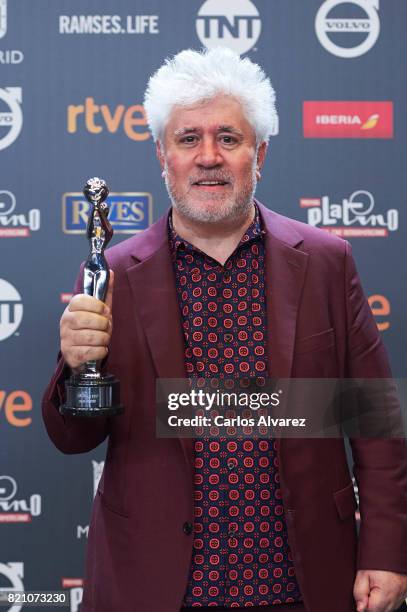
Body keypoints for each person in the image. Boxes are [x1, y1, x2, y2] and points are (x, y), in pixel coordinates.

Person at [42, 48, 407, 612]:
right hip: (156, 584)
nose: (208, 157)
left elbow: (375, 425)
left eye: (228, 139)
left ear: (259, 153)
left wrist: (386, 550)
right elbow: (74, 438)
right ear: (162, 154)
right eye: (188, 139)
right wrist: (74, 366)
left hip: (304, 582)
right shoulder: (112, 273)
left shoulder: (328, 262)